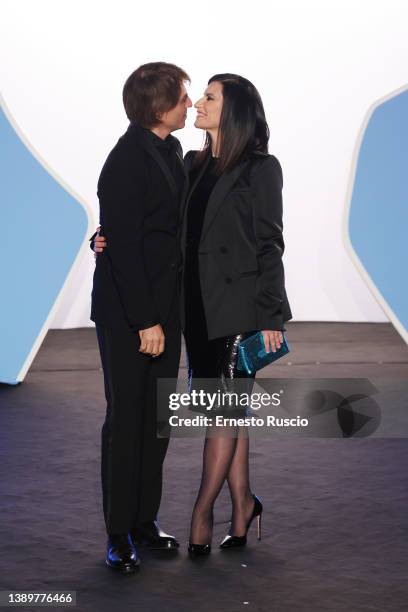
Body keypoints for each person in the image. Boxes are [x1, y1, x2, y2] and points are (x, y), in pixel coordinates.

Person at [94, 73, 292, 557]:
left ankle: (204, 512)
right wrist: (105, 240)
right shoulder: (191, 162)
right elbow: (142, 223)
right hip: (189, 311)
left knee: (222, 410)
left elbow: (269, 242)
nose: (196, 103)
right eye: (192, 96)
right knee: (219, 409)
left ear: (235, 110)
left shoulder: (261, 169)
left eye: (207, 96)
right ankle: (239, 505)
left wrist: (271, 316)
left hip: (234, 311)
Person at [90, 61, 192, 572]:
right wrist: (146, 321)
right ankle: (117, 534)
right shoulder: (127, 159)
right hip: (132, 314)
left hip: (163, 310)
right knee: (126, 421)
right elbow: (124, 248)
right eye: (182, 97)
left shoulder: (172, 150)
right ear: (158, 106)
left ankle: (144, 522)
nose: (189, 104)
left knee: (156, 422)